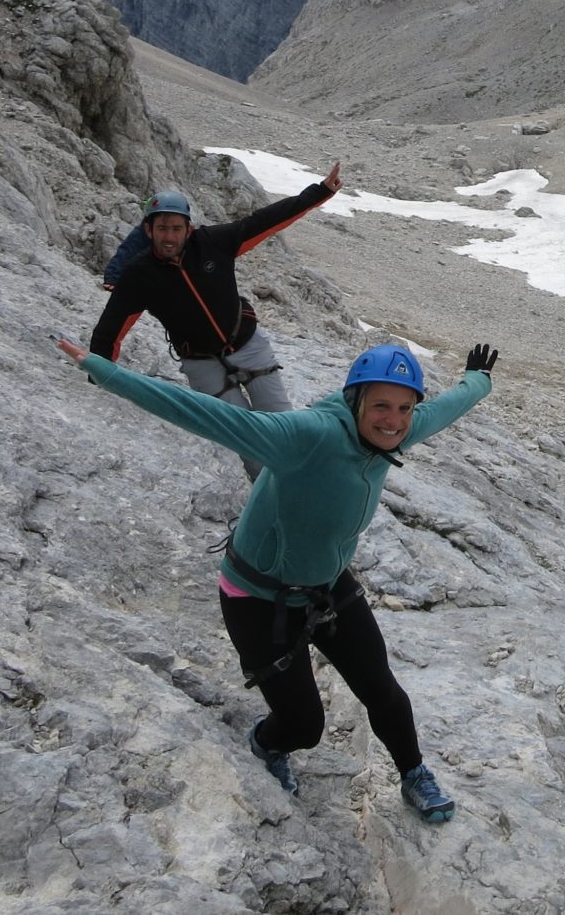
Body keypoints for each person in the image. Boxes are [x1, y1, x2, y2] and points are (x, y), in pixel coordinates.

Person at [55, 333, 500, 822]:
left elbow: (444, 409)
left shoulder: (395, 431)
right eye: (381, 406)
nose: (393, 421)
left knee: (383, 691)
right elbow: (213, 416)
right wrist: (109, 372)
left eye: (403, 408)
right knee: (304, 726)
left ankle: (413, 772)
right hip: (257, 597)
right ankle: (267, 745)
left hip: (326, 587)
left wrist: (477, 380)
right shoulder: (307, 435)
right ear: (355, 401)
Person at [90, 165, 341, 481]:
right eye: (163, 228)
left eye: (176, 228)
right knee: (244, 436)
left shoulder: (213, 243)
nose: (169, 237)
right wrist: (97, 372)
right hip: (201, 362)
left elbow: (263, 221)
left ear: (188, 229)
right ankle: (267, 496)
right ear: (148, 230)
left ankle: (296, 486)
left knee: (281, 426)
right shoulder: (139, 275)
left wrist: (319, 192)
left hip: (247, 345)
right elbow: (112, 326)